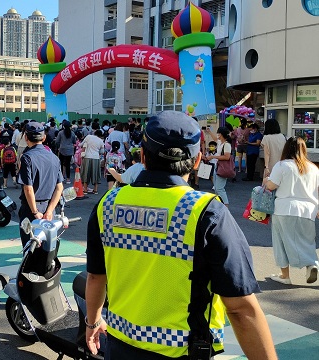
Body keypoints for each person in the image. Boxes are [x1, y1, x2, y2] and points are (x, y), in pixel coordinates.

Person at [85, 111, 277, 360]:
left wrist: (92, 322)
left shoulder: (108, 203)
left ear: (142, 156)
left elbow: (95, 277)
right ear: (197, 160)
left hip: (120, 346)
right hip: (182, 351)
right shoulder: (206, 212)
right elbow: (240, 308)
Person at [265, 136, 319, 284]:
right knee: (307, 241)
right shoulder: (313, 168)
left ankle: (285, 276)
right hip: (309, 210)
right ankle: (312, 264)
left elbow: (271, 186)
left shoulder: (282, 165)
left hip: (284, 208)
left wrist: (266, 180)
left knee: (281, 242)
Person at [17, 122, 64, 247]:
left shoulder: (27, 157)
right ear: (43, 138)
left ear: (26, 137)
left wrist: (35, 212)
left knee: (30, 248)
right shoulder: (54, 158)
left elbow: (28, 188)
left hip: (31, 209)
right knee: (48, 248)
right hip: (49, 209)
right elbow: (59, 187)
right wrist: (49, 211)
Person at [206, 127, 232, 206]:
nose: (217, 135)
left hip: (222, 168)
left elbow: (227, 157)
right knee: (217, 188)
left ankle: (225, 205)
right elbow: (215, 139)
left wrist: (213, 157)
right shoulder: (221, 143)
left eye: (218, 133)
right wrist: (209, 132)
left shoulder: (227, 144)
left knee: (219, 188)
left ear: (221, 134)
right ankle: (221, 204)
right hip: (218, 167)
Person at [81, 129, 105, 195]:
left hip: (87, 157)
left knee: (86, 173)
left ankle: (85, 189)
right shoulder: (101, 141)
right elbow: (102, 152)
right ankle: (95, 189)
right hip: (96, 158)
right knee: (96, 173)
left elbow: (81, 144)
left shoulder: (88, 137)